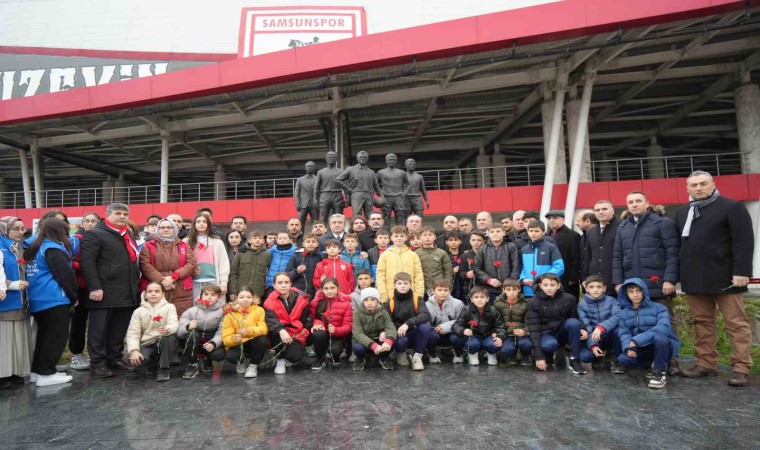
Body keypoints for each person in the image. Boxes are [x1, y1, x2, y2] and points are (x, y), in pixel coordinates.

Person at [676, 171, 754, 387]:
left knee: (736, 323)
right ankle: (706, 363)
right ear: (687, 188)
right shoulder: (683, 212)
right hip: (694, 278)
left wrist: (742, 271)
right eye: (693, 185)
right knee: (702, 322)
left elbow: (743, 241)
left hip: (726, 277)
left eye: (703, 184)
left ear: (713, 184)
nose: (698, 188)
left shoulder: (732, 207)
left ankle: (741, 367)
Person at [612, 190, 680, 374]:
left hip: (657, 285)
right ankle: (640, 357)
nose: (634, 204)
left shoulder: (663, 223)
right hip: (633, 286)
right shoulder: (623, 227)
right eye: (630, 202)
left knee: (667, 322)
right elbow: (617, 256)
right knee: (633, 323)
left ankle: (672, 360)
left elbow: (672, 253)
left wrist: (669, 279)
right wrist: (618, 282)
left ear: (647, 203)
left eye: (638, 201)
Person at [80, 203, 141, 378]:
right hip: (104, 291)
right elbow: (87, 263)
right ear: (107, 215)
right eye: (118, 213)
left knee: (118, 329)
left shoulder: (127, 234)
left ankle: (114, 359)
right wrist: (95, 287)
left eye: (125, 214)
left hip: (126, 290)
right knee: (99, 330)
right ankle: (98, 363)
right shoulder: (95, 234)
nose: (122, 217)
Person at [24, 218, 78, 386]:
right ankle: (46, 373)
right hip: (54, 299)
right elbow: (65, 275)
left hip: (37, 298)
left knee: (44, 337)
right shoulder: (53, 248)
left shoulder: (35, 247)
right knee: (56, 337)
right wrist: (74, 296)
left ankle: (37, 371)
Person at [615, 278, 681, 389]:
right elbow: (624, 333)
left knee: (660, 338)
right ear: (626, 294)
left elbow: (664, 327)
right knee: (624, 359)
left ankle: (659, 372)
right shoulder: (624, 313)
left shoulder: (659, 308)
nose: (635, 295)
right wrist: (628, 348)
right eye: (631, 291)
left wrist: (637, 340)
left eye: (638, 291)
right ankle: (653, 364)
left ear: (644, 291)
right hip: (643, 348)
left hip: (663, 346)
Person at [526, 273, 585, 374]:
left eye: (552, 285)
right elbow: (534, 329)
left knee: (573, 323)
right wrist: (539, 356)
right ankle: (547, 355)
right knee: (549, 345)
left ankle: (574, 359)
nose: (549, 288)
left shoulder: (569, 298)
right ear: (540, 286)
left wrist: (582, 329)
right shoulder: (533, 302)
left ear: (558, 285)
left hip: (562, 332)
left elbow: (574, 318)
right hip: (546, 333)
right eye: (545, 285)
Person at [139, 219, 197, 317]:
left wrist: (173, 277)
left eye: (169, 227)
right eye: (162, 227)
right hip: (155, 287)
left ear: (175, 229)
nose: (166, 229)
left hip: (181, 289)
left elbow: (191, 264)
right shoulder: (148, 246)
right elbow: (145, 265)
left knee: (181, 317)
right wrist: (162, 281)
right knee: (156, 319)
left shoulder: (184, 245)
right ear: (157, 229)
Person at [0, 217, 32, 389]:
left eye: (22, 229)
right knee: (4, 338)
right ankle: (2, 374)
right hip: (5, 301)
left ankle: (13, 371)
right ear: (5, 229)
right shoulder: (1, 247)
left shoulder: (19, 246)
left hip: (21, 300)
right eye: (16, 229)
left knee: (17, 337)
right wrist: (12, 285)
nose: (21, 232)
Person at [125, 282, 179, 382]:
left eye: (157, 291)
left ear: (163, 294)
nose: (153, 294)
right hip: (148, 343)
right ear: (145, 294)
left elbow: (174, 324)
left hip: (164, 340)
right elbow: (133, 333)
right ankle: (154, 362)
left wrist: (168, 329)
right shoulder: (138, 311)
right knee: (140, 360)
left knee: (168, 337)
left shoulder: (170, 307)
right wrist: (134, 350)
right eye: (150, 291)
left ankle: (164, 368)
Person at [68, 211, 99, 371]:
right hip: (80, 287)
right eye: (87, 221)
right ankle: (77, 354)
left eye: (93, 221)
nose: (90, 223)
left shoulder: (102, 238)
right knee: (79, 322)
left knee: (98, 323)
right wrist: (87, 266)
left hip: (99, 287)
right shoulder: (75, 241)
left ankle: (97, 354)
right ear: (82, 223)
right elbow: (67, 262)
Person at [263, 273, 312, 375]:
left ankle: (290, 357)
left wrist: (305, 330)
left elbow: (307, 317)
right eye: (280, 283)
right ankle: (280, 359)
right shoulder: (269, 301)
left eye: (286, 282)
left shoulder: (302, 298)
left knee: (294, 356)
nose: (283, 285)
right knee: (275, 331)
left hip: (296, 332)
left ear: (290, 284)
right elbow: (271, 320)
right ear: (274, 285)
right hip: (280, 332)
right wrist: (281, 330)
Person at [384, 272, 431, 371]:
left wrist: (408, 324)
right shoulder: (390, 303)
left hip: (413, 332)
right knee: (402, 341)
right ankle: (400, 353)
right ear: (394, 285)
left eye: (406, 283)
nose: (403, 286)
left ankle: (417, 357)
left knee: (424, 327)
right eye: (399, 283)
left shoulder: (417, 299)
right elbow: (388, 323)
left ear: (410, 285)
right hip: (399, 334)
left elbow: (425, 315)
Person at [177, 284, 225, 380]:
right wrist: (187, 327)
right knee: (192, 335)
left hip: (210, 339)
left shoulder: (222, 312)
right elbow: (178, 332)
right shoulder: (191, 311)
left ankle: (207, 359)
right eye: (206, 294)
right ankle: (192, 364)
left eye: (213, 294)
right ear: (201, 296)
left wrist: (214, 343)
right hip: (194, 340)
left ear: (218, 297)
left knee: (218, 355)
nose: (209, 297)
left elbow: (222, 331)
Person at [579, 275, 624, 373]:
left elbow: (618, 316)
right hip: (593, 337)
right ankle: (598, 354)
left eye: (599, 287)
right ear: (586, 289)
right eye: (591, 287)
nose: (595, 290)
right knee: (585, 357)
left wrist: (601, 327)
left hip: (609, 334)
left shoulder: (612, 301)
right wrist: (593, 345)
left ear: (604, 288)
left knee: (618, 330)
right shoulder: (582, 305)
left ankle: (617, 359)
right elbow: (587, 327)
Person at [222, 285, 269, 378]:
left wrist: (249, 331)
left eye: (248, 297)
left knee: (263, 340)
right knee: (231, 356)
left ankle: (253, 365)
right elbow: (226, 337)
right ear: (236, 298)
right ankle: (241, 362)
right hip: (238, 343)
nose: (245, 300)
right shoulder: (230, 313)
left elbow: (264, 329)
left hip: (252, 341)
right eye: (242, 297)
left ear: (253, 298)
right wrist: (234, 338)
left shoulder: (259, 310)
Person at [453, 286, 505, 366]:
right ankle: (472, 354)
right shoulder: (466, 310)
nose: (479, 300)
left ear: (487, 299)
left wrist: (499, 336)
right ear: (471, 299)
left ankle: (491, 353)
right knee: (472, 344)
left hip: (488, 336)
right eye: (476, 297)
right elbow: (457, 325)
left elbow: (500, 326)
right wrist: (463, 330)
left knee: (494, 343)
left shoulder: (493, 310)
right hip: (473, 336)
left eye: (482, 297)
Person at [309, 277, 353, 370]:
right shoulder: (316, 302)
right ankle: (320, 357)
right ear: (322, 289)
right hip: (322, 332)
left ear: (338, 288)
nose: (329, 291)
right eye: (326, 288)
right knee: (318, 334)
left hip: (337, 334)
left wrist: (336, 330)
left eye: (332, 288)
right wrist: (318, 323)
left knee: (335, 351)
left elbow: (348, 326)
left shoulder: (346, 304)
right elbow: (311, 318)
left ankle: (335, 355)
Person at [185, 213, 229, 300]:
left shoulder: (217, 241)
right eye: (198, 221)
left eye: (204, 222)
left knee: (214, 306)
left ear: (208, 224)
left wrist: (223, 283)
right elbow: (182, 263)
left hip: (213, 281)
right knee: (197, 306)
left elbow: (224, 263)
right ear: (194, 224)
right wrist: (191, 270)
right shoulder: (186, 242)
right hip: (194, 282)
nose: (201, 224)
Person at [376, 226, 424, 303]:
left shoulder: (413, 255)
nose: (399, 238)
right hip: (391, 296)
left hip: (410, 296)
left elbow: (419, 276)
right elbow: (380, 276)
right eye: (396, 236)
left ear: (406, 237)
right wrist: (384, 296)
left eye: (401, 236)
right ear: (391, 238)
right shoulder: (385, 255)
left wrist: (418, 295)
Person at [351, 287, 396, 371]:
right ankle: (360, 358)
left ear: (377, 301)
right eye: (366, 300)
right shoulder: (357, 313)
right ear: (362, 301)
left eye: (372, 299)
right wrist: (372, 345)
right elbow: (357, 333)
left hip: (378, 339)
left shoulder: (383, 311)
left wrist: (388, 340)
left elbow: (390, 327)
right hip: (365, 342)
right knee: (357, 348)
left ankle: (384, 357)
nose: (369, 302)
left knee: (392, 341)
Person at [473, 224, 520, 303]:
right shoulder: (482, 249)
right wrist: (488, 280)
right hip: (489, 289)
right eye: (492, 232)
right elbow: (476, 268)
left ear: (504, 233)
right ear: (488, 234)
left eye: (498, 231)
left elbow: (516, 265)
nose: (495, 234)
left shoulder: (511, 246)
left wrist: (509, 283)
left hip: (509, 289)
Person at [581, 200, 619, 296]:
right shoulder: (591, 232)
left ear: (612, 211)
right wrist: (584, 278)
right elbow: (587, 258)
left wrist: (620, 280)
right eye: (597, 210)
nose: (601, 212)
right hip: (595, 282)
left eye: (604, 209)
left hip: (615, 281)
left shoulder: (622, 227)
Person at [424, 278, 466, 364]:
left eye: (445, 290)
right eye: (439, 290)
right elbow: (426, 324)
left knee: (460, 335)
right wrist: (435, 329)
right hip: (435, 332)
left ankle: (458, 354)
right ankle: (432, 354)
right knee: (429, 334)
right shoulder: (426, 305)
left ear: (450, 291)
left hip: (453, 331)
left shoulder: (458, 303)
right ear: (433, 290)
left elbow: (461, 321)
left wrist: (446, 327)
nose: (443, 293)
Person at [519, 220, 564, 297]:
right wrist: (523, 279)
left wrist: (542, 279)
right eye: (531, 231)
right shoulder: (524, 249)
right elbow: (522, 268)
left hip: (547, 289)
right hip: (528, 290)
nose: (533, 233)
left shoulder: (551, 247)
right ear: (527, 232)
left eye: (536, 231)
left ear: (543, 232)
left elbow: (559, 267)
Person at [494, 278, 532, 366]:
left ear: (519, 289)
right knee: (507, 349)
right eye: (508, 289)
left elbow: (529, 321)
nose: (511, 292)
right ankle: (512, 356)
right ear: (503, 290)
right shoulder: (497, 304)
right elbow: (496, 322)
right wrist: (498, 333)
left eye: (514, 289)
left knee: (526, 344)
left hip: (522, 335)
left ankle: (525, 356)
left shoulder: (526, 304)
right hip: (506, 334)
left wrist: (525, 331)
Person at [545, 210, 581, 299]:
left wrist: (573, 278)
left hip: (567, 277)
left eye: (555, 218)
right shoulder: (546, 236)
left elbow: (576, 258)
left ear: (563, 220)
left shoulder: (572, 235)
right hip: (549, 276)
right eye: (549, 218)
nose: (551, 220)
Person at [335, 151, 380, 218]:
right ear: (357, 158)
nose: (363, 158)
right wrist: (347, 189)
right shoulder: (350, 169)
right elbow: (337, 179)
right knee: (357, 216)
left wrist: (381, 195)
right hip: (356, 195)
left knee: (370, 216)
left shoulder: (371, 172)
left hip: (369, 195)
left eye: (365, 157)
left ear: (367, 159)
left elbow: (376, 186)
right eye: (360, 157)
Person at [229, 230, 271, 302]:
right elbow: (233, 273)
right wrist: (232, 291)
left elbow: (270, 271)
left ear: (263, 241)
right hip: (241, 290)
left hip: (258, 291)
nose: (257, 240)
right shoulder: (241, 253)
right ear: (249, 240)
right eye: (254, 238)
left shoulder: (267, 254)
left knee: (256, 309)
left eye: (260, 238)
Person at [415, 226, 453, 296]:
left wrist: (446, 286)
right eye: (424, 235)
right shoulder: (415, 254)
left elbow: (448, 272)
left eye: (430, 235)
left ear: (435, 237)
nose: (427, 237)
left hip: (439, 289)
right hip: (421, 289)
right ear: (420, 237)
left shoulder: (442, 253)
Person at [376, 153, 410, 225]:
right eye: (390, 159)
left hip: (399, 198)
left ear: (396, 161)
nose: (392, 161)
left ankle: (400, 232)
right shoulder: (381, 172)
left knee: (400, 218)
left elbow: (408, 184)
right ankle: (385, 232)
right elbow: (374, 184)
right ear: (386, 161)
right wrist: (380, 193)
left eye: (394, 160)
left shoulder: (402, 172)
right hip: (386, 198)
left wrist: (404, 193)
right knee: (386, 219)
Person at [286, 232, 322, 297]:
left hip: (315, 291)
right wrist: (297, 271)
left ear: (317, 244)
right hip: (298, 291)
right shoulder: (296, 256)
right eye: (308, 242)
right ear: (303, 244)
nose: (311, 244)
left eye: (313, 242)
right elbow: (288, 275)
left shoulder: (320, 257)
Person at [313, 151, 346, 222]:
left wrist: (347, 198)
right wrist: (315, 198)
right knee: (323, 219)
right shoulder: (320, 172)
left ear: (336, 159)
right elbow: (316, 187)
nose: (331, 158)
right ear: (326, 159)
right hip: (324, 196)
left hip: (338, 196)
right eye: (329, 157)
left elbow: (345, 187)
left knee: (338, 219)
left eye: (333, 157)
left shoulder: (341, 172)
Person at [458, 231, 486, 305]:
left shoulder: (487, 254)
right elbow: (461, 272)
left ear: (483, 242)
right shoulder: (465, 256)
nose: (476, 242)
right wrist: (466, 274)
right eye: (473, 240)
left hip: (486, 286)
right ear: (470, 241)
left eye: (479, 240)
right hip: (470, 287)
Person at [294, 161, 318, 226]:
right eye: (308, 166)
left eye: (311, 166)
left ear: (314, 168)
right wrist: (297, 203)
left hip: (315, 205)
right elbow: (296, 192)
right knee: (300, 223)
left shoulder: (318, 179)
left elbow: (321, 192)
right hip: (303, 205)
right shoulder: (300, 179)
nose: (309, 168)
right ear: (305, 168)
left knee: (316, 223)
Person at [444, 231, 465, 300]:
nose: (453, 242)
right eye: (450, 240)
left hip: (463, 285)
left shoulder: (465, 255)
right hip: (449, 285)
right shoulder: (443, 255)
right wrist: (452, 271)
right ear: (446, 242)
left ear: (460, 241)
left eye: (456, 240)